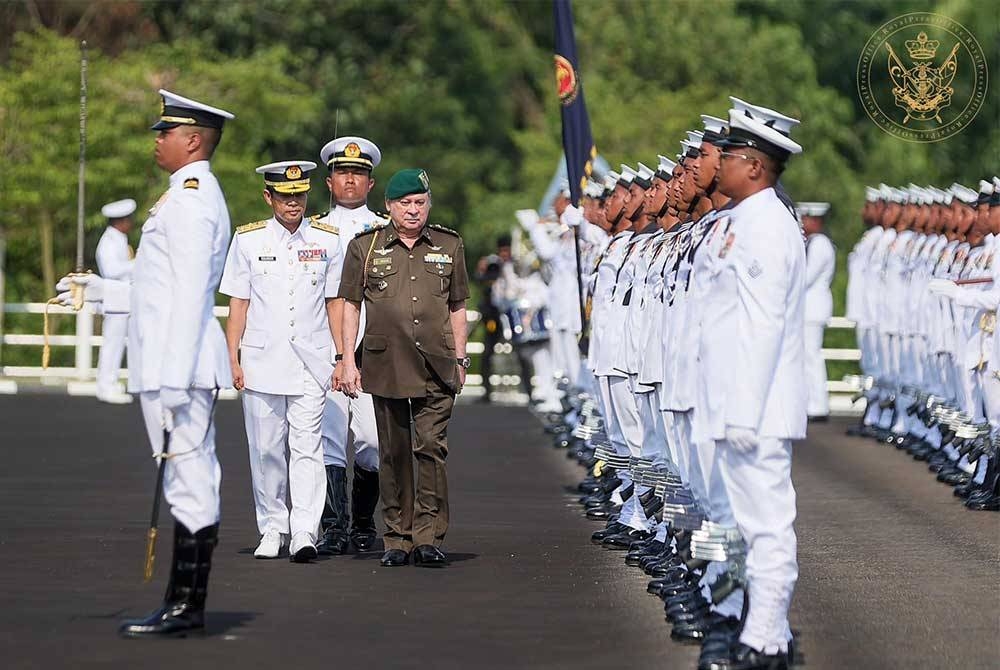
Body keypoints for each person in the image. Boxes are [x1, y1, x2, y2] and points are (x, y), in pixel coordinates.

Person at [58, 89, 234, 637]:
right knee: (188, 478)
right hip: (169, 362)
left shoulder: (190, 199)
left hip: (174, 366)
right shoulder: (182, 195)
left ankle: (186, 606)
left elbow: (187, 298)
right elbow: (159, 290)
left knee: (190, 478)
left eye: (166, 131)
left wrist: (175, 378)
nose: (157, 140)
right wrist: (102, 293)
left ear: (193, 140)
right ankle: (182, 602)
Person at [705, 99, 806, 667]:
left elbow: (763, 325)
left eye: (729, 156)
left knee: (766, 527)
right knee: (746, 524)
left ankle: (766, 640)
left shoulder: (767, 225)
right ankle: (768, 633)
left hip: (757, 409)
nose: (717, 165)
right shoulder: (741, 221)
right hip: (735, 403)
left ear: (755, 166)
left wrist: (742, 410)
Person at [338, 168, 470, 568]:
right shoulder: (366, 246)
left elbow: (458, 306)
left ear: (428, 204)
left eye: (420, 203)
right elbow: (349, 305)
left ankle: (428, 536)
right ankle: (397, 536)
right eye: (405, 204)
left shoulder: (449, 244)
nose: (413, 211)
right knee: (392, 453)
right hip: (387, 362)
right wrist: (346, 359)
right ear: (389, 207)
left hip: (437, 364)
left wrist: (461, 357)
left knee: (430, 448)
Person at [220, 160, 341, 563]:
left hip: (311, 358)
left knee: (307, 447)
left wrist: (342, 356)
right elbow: (239, 301)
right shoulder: (248, 241)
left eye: (301, 195)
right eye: (286, 196)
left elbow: (335, 302)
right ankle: (273, 525)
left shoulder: (327, 239)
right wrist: (232, 356)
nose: (294, 203)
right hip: (261, 359)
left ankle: (305, 528)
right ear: (268, 197)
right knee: (266, 449)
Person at [314, 136, 385, 556]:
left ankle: (362, 520)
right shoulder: (312, 230)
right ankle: (333, 525)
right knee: (327, 437)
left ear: (371, 183)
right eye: (343, 173)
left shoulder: (383, 231)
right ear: (329, 180)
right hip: (323, 347)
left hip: (369, 349)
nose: (351, 180)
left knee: (372, 441)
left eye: (359, 174)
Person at [95, 198, 136, 404]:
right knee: (113, 343)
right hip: (114, 298)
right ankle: (105, 385)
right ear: (120, 221)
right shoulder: (109, 242)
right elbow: (111, 270)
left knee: (119, 343)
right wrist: (137, 263)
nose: (131, 223)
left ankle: (110, 382)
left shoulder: (118, 239)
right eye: (129, 219)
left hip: (123, 299)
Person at [798, 202, 835, 421]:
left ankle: (818, 405)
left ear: (817, 220)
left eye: (807, 219)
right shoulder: (812, 242)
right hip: (807, 309)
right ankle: (810, 402)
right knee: (806, 357)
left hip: (812, 309)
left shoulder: (819, 244)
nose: (804, 223)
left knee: (812, 357)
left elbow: (806, 276)